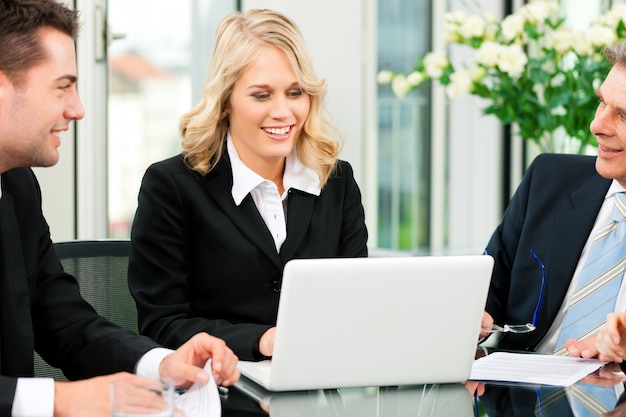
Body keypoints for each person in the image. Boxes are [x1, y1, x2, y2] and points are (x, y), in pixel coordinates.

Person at [0, 1, 240, 416]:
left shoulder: (18, 187)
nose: (77, 109)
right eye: (63, 86)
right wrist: (60, 400)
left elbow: (67, 325)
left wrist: (162, 364)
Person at [127, 8, 369, 361]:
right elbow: (162, 323)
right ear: (226, 101)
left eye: (294, 92)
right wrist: (261, 340)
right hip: (218, 393)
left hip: (320, 387)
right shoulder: (172, 186)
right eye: (261, 95)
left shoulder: (337, 181)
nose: (283, 112)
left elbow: (357, 301)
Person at [477, 39, 626, 415]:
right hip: (513, 401)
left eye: (623, 115)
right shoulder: (549, 180)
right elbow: (485, 290)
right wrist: (468, 319)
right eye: (601, 103)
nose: (597, 125)